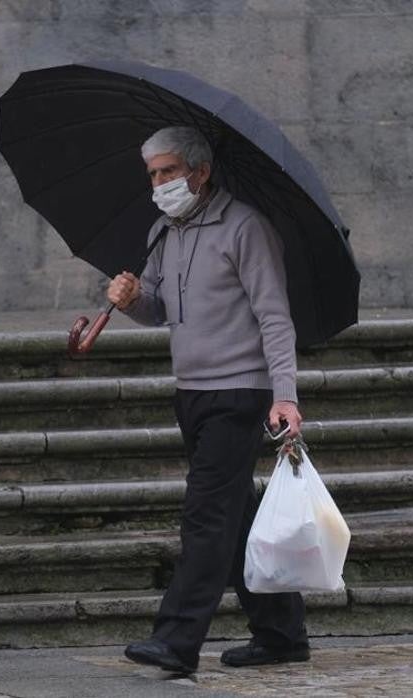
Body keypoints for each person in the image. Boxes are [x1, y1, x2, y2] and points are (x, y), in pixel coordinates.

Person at [110, 126, 309, 674]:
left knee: (205, 515)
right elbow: (158, 310)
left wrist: (285, 396)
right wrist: (130, 300)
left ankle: (176, 639)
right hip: (191, 393)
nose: (159, 184)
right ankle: (281, 632)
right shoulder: (162, 232)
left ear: (200, 172)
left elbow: (274, 317)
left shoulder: (245, 227)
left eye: (168, 172)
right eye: (152, 174)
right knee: (236, 514)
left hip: (240, 391)